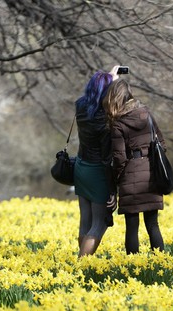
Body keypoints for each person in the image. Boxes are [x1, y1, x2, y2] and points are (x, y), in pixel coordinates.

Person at [103, 78, 165, 254]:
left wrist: (116, 178)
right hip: (151, 174)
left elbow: (119, 157)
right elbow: (161, 142)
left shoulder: (118, 124)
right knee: (153, 224)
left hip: (130, 176)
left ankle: (132, 268)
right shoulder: (146, 114)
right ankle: (161, 266)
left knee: (132, 227)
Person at [73, 67, 121, 257]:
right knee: (99, 224)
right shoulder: (105, 117)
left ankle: (82, 264)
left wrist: (107, 78)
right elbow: (106, 158)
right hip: (97, 172)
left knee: (85, 221)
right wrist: (112, 190)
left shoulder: (80, 106)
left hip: (80, 167)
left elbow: (93, 95)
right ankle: (82, 266)